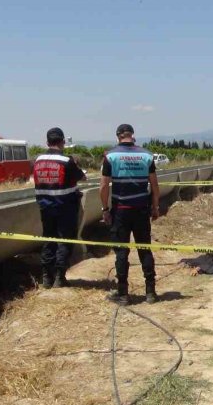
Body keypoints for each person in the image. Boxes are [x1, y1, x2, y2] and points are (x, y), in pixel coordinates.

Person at [100, 124, 160, 305]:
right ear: (132, 136)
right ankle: (150, 292)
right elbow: (155, 185)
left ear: (118, 136)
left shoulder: (110, 156)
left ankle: (123, 294)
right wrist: (155, 207)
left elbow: (103, 187)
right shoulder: (146, 156)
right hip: (141, 210)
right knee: (144, 249)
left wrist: (105, 210)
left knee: (121, 252)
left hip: (121, 211)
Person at [33, 127, 86, 288]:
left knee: (49, 240)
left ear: (47, 142)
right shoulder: (66, 161)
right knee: (64, 241)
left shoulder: (37, 160)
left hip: (45, 207)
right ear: (62, 141)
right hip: (65, 208)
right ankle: (59, 277)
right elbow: (81, 177)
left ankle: (46, 278)